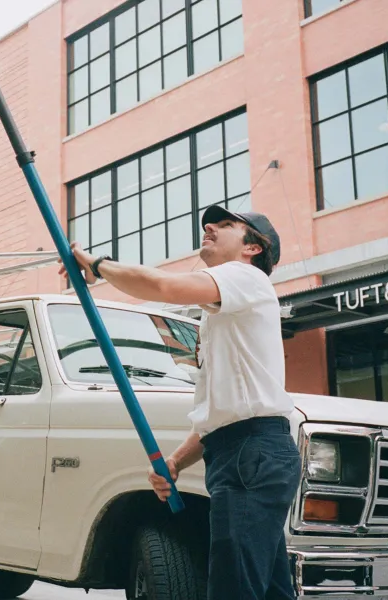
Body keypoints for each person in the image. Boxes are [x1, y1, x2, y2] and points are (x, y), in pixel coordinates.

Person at [60, 205, 301, 600]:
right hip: (243, 453)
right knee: (269, 591)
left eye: (225, 225)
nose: (209, 226)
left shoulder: (246, 278)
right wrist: (175, 462)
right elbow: (219, 418)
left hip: (251, 454)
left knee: (234, 590)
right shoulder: (221, 317)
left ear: (252, 249)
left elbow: (162, 287)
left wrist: (96, 264)